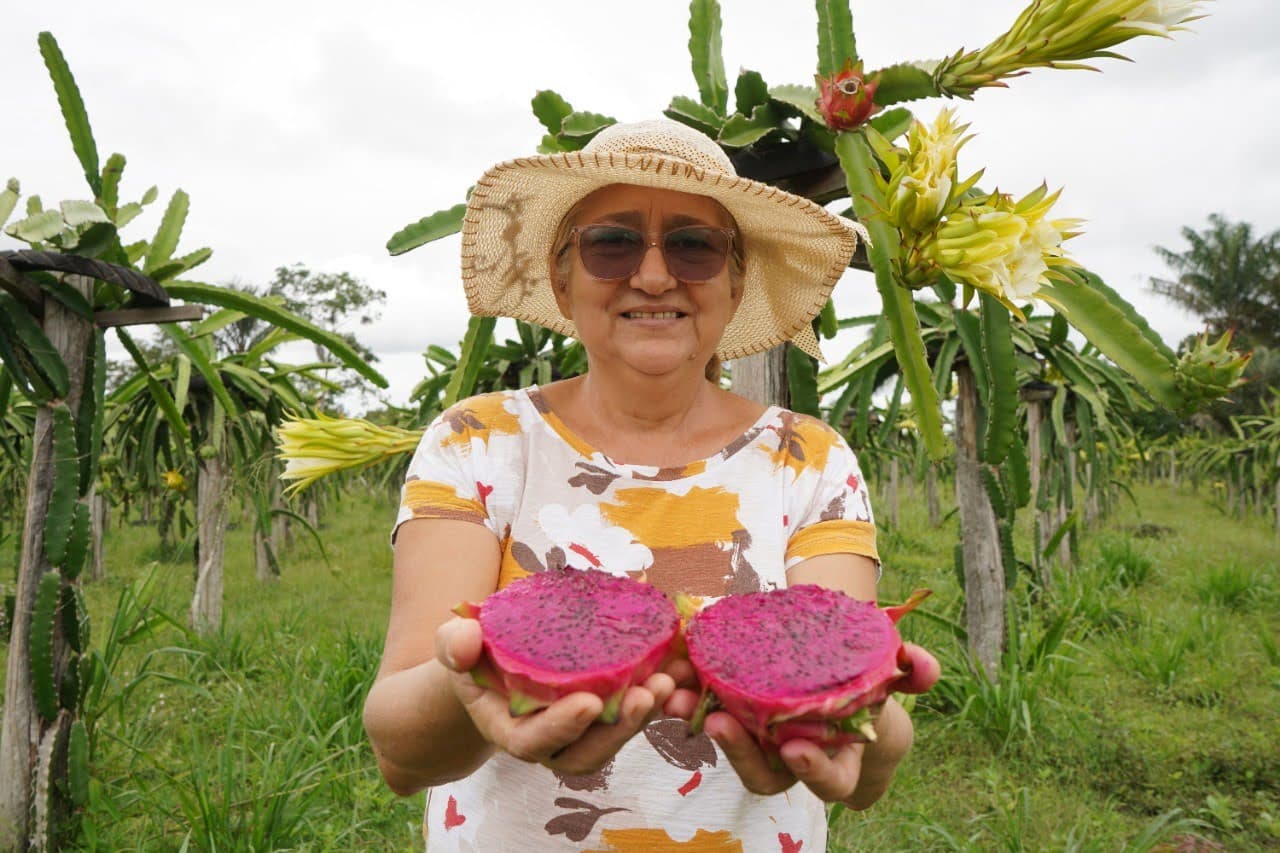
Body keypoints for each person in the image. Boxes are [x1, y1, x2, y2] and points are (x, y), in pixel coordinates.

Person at [363, 119, 940, 851]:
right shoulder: (476, 442)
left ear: (735, 283)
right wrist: (486, 668)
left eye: (695, 246)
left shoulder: (810, 458)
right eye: (613, 243)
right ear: (563, 274)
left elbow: (865, 772)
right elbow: (399, 753)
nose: (655, 275)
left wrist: (868, 706)